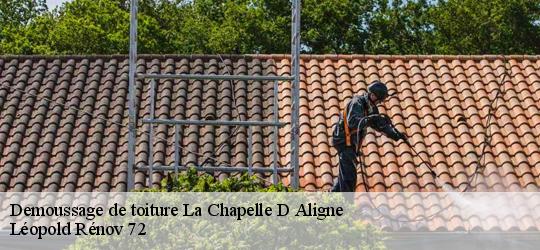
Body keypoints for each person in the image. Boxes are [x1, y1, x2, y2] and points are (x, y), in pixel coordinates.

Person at [331, 80, 407, 192]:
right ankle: (346, 205)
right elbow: (353, 122)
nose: (379, 102)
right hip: (344, 142)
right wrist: (370, 119)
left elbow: (380, 125)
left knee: (344, 176)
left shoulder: (370, 106)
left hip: (351, 144)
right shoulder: (357, 103)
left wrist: (396, 135)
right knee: (349, 177)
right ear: (372, 95)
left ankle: (332, 199)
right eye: (379, 99)